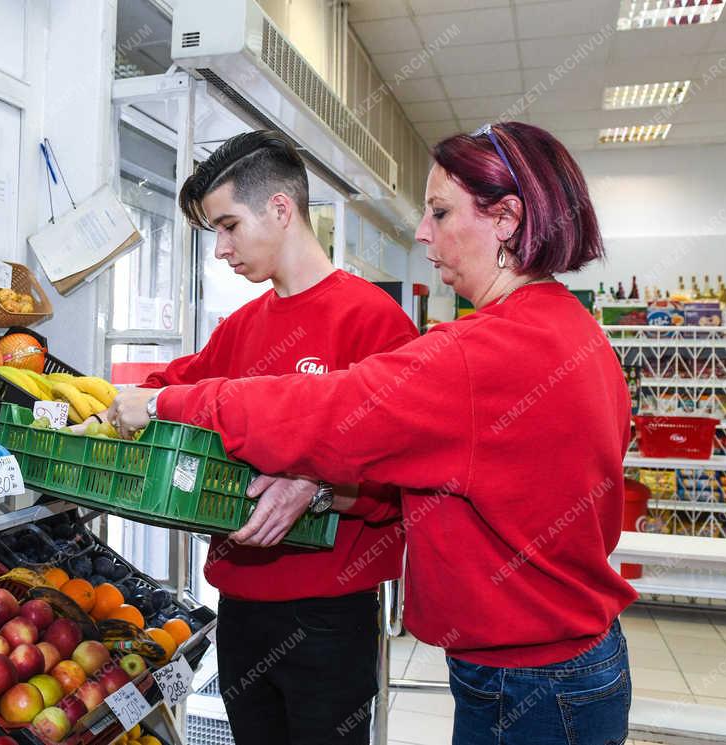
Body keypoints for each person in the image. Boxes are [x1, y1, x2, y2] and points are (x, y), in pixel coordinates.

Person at [109, 122, 638, 745]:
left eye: (439, 212)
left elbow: (329, 411)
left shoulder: (484, 350)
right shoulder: (569, 329)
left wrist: (171, 403)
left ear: (505, 219)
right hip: (552, 661)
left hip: (530, 675)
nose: (421, 232)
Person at [113, 130, 418, 745]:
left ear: (281, 209)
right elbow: (169, 390)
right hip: (240, 600)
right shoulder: (241, 328)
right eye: (214, 232)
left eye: (228, 226)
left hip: (329, 613)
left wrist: (319, 488)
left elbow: (403, 481)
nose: (221, 249)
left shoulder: (374, 321)